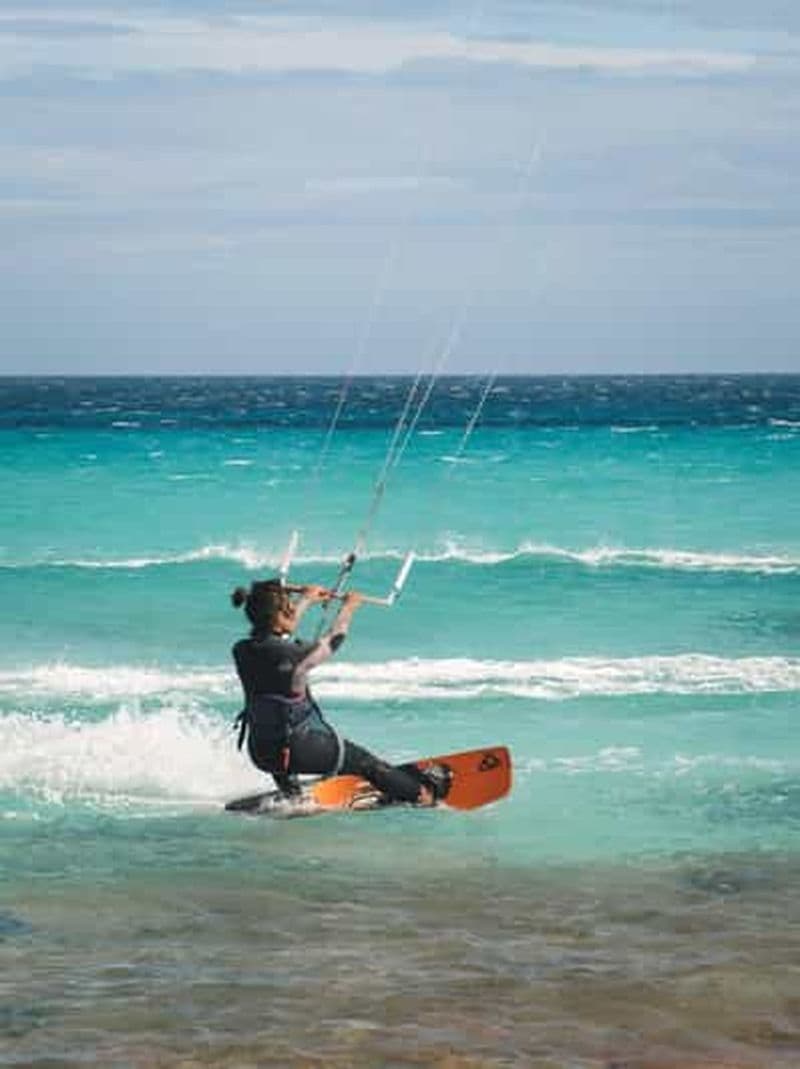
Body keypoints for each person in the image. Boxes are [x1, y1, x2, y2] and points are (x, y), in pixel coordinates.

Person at [231, 578, 436, 805]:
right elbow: (334, 640)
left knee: (278, 730)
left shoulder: (241, 650)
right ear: (280, 615)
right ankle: (424, 798)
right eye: (289, 608)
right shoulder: (296, 654)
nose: (292, 611)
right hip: (299, 749)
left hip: (262, 752)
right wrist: (348, 608)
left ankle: (293, 799)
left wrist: (306, 600)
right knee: (366, 763)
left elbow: (276, 631)